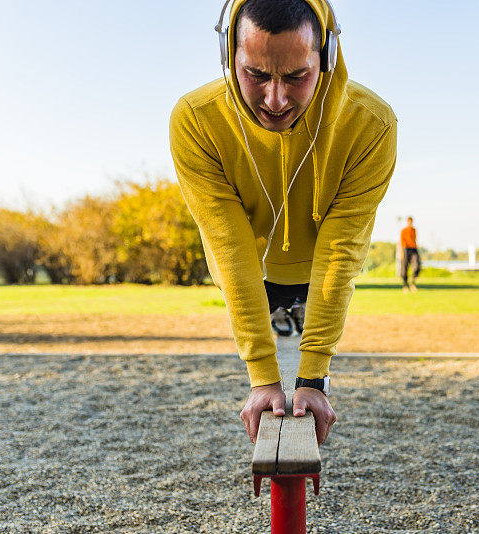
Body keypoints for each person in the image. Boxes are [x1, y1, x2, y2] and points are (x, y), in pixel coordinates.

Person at [169, 0, 397, 446]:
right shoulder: (196, 121)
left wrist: (312, 379)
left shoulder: (372, 125)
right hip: (253, 273)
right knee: (254, 291)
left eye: (297, 77)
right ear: (227, 57)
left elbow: (339, 252)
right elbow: (231, 252)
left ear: (327, 58)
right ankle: (279, 317)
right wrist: (264, 379)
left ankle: (293, 318)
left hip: (317, 275)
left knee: (315, 300)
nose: (275, 100)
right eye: (255, 75)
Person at [399, 217, 420, 292]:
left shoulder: (414, 230)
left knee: (417, 266)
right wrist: (401, 252)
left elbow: (414, 240)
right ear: (407, 222)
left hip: (413, 249)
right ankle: (405, 285)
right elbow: (401, 241)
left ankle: (412, 282)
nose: (410, 223)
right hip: (405, 249)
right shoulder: (403, 230)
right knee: (404, 268)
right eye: (409, 222)